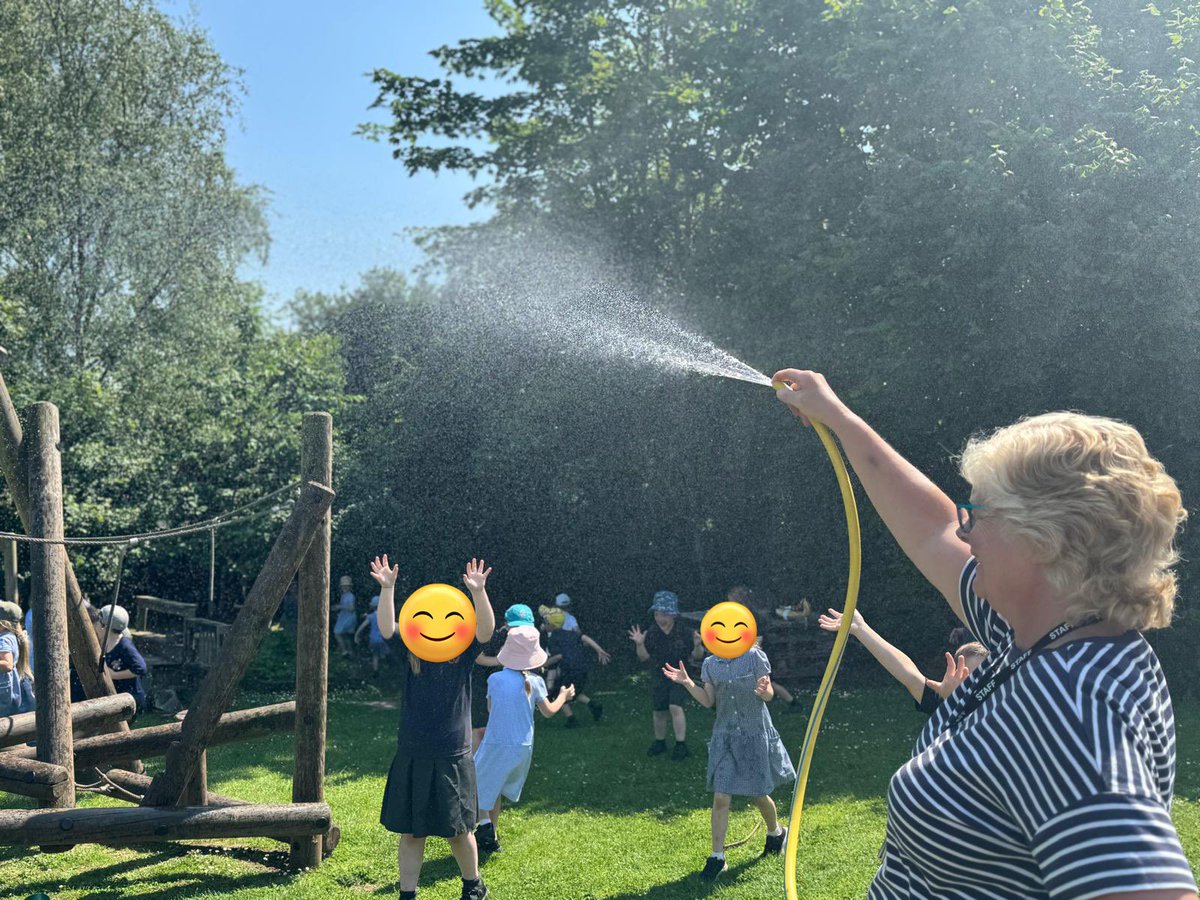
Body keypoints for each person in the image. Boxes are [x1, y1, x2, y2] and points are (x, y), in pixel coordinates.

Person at [774, 368, 1198, 899]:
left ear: (1043, 540)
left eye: (978, 513)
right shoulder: (1042, 629)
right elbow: (932, 528)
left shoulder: (1066, 709)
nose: (964, 529)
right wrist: (837, 417)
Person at [374, 555, 495, 900]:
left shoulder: (463, 653)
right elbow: (386, 628)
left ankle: (473, 885)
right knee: (413, 833)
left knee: (458, 831)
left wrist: (478, 593)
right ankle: (407, 894)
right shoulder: (411, 650)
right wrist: (388, 589)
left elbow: (485, 630)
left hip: (452, 753)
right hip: (414, 751)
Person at [662, 643, 795, 881]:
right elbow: (708, 701)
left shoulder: (754, 656)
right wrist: (688, 683)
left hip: (754, 734)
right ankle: (717, 857)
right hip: (725, 737)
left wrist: (764, 690)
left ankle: (776, 832)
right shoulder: (711, 664)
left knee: (757, 794)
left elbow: (769, 695)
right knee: (721, 796)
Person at [473, 618, 575, 854]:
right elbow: (548, 712)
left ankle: (485, 824)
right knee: (494, 787)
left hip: (496, 743)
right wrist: (563, 695)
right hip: (522, 747)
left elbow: (490, 710)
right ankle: (492, 838)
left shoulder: (495, 679)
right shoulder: (537, 682)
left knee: (475, 782)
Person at [818, 606, 987, 715]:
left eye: (979, 677)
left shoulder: (1003, 712)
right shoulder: (947, 704)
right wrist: (861, 629)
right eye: (964, 678)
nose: (970, 685)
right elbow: (909, 674)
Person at [628, 590, 704, 759]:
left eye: (664, 614)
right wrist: (640, 644)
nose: (660, 618)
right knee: (659, 710)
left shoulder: (685, 631)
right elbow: (645, 659)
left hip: (681, 674)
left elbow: (697, 656)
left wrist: (698, 645)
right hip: (659, 674)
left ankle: (680, 745)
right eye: (656, 614)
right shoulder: (652, 633)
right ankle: (660, 742)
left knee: (675, 706)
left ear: (673, 614)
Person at [727, 585, 803, 711]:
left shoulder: (750, 615)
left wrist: (755, 652)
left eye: (731, 599)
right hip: (755, 650)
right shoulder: (742, 613)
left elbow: (759, 636)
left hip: (760, 651)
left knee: (767, 680)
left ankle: (793, 703)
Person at [538, 606, 609, 726]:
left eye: (546, 622)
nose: (544, 624)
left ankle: (571, 720)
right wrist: (599, 649)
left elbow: (558, 657)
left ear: (552, 625)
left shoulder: (553, 639)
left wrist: (543, 664)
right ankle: (594, 705)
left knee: (558, 693)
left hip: (570, 670)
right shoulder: (570, 633)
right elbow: (584, 637)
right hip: (582, 668)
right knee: (573, 691)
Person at [471, 607, 521, 752]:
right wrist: (501, 661)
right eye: (516, 625)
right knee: (480, 726)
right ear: (507, 624)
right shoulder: (498, 636)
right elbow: (478, 658)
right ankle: (474, 763)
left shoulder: (514, 637)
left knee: (493, 724)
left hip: (493, 685)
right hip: (479, 684)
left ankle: (486, 760)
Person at [96, 604, 148, 714]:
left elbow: (141, 668)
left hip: (130, 699)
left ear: (105, 626)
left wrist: (114, 675)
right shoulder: (106, 642)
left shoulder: (125, 646)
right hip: (118, 696)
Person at [0, 600, 34, 716]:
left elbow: (7, 664)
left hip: (3, 692)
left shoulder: (3, 639)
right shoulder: (11, 637)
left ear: (3, 624)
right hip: (9, 690)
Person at [355, 594, 392, 675]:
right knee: (385, 652)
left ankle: (375, 671)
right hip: (383, 639)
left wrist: (356, 635)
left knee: (375, 655)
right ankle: (388, 666)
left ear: (372, 606)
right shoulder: (384, 616)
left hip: (373, 640)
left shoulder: (370, 617)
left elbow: (362, 626)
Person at [333, 575, 357, 657]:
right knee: (346, 636)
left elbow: (351, 608)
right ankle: (350, 653)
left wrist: (340, 607)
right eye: (343, 586)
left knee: (337, 633)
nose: (344, 588)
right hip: (344, 617)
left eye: (346, 586)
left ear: (350, 587)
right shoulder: (344, 595)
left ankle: (344, 651)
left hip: (348, 618)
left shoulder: (350, 596)